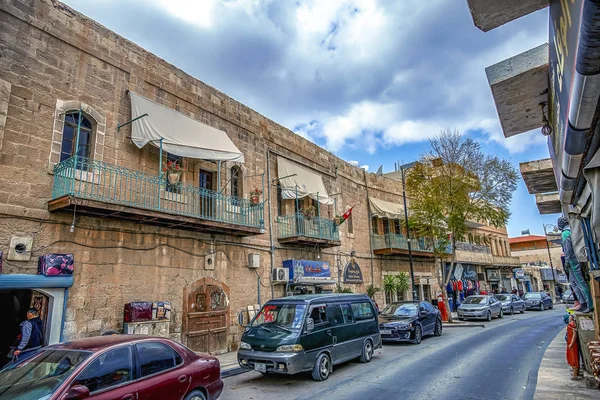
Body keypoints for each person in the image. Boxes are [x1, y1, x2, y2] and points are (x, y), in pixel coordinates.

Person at [558, 216, 593, 312]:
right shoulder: (571, 230)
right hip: (576, 258)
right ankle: (582, 302)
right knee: (573, 282)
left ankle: (589, 304)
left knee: (579, 281)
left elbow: (568, 248)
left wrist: (567, 261)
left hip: (573, 260)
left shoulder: (565, 233)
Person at [566, 314, 580, 380]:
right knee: (571, 358)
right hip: (570, 343)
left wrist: (571, 343)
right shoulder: (571, 324)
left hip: (572, 344)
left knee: (573, 359)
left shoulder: (572, 324)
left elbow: (574, 334)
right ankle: (574, 373)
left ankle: (575, 375)